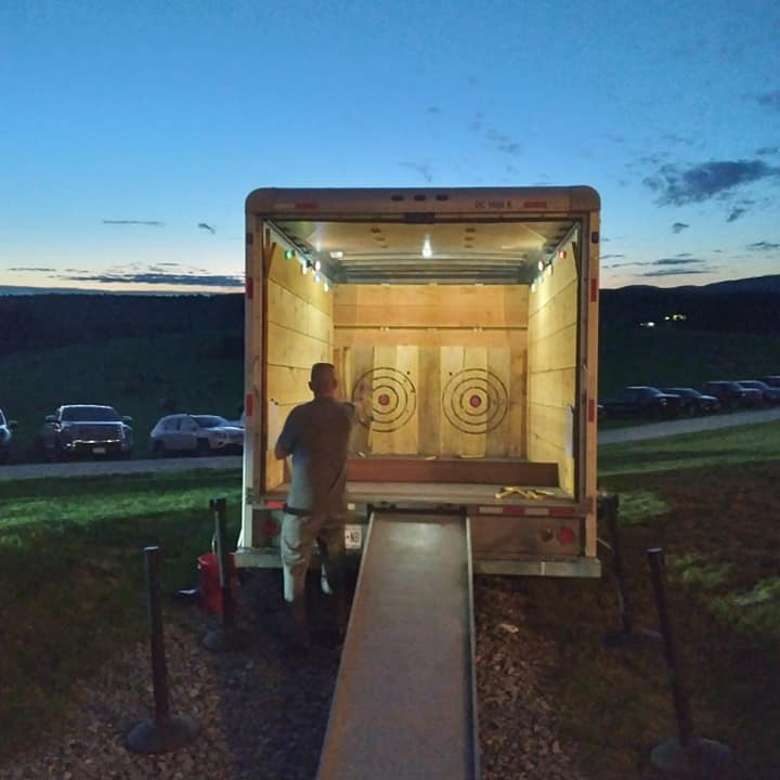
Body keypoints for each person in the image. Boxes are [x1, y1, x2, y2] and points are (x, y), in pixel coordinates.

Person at [274, 362, 354, 648]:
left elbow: (279, 452)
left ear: (310, 386)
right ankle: (338, 627)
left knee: (294, 570)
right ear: (336, 384)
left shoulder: (299, 415)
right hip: (334, 509)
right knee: (334, 567)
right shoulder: (347, 414)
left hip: (302, 509)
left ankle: (298, 634)